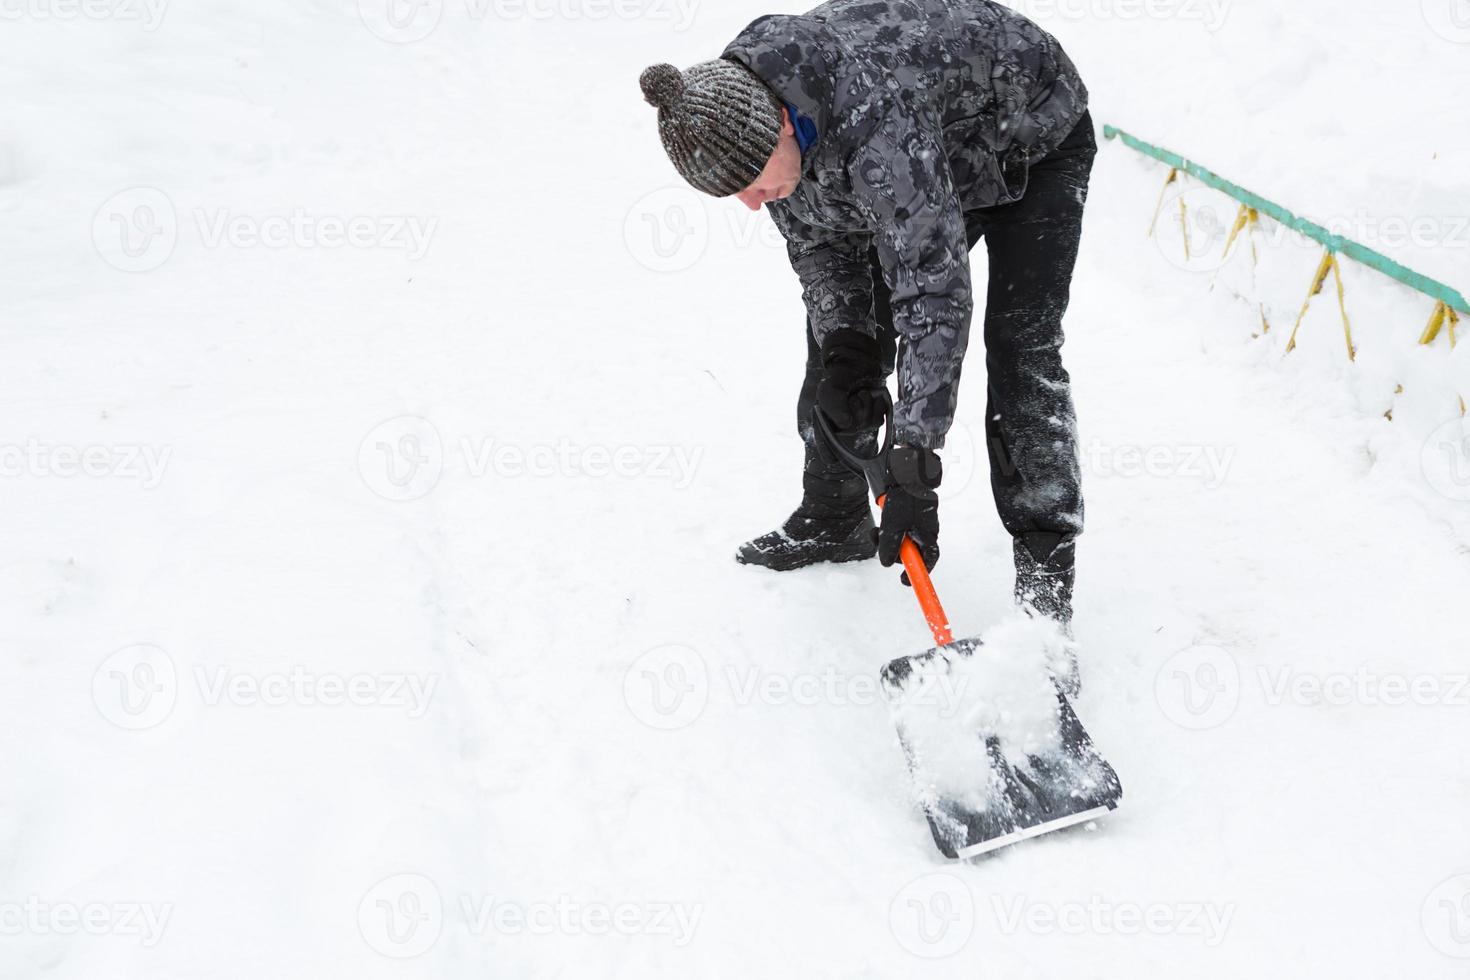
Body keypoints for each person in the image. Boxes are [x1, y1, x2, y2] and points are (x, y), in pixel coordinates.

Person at [639, 0, 1094, 635]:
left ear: (781, 126)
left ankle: (1046, 587)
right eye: (733, 190)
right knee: (841, 356)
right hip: (932, 148)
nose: (750, 204)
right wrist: (849, 345)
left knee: (1021, 348)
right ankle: (835, 514)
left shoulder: (874, 121)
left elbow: (931, 291)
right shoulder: (755, 114)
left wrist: (914, 459)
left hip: (1029, 138)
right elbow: (822, 244)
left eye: (750, 181)